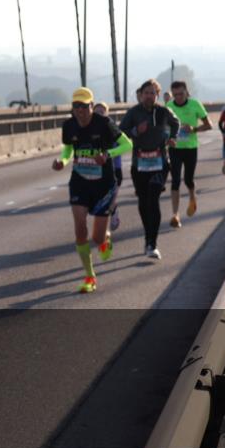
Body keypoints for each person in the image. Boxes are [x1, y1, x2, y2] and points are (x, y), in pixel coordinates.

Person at [53, 89, 132, 292]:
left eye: (84, 106)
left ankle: (104, 240)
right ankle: (90, 277)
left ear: (91, 105)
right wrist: (62, 160)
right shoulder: (69, 125)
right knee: (80, 229)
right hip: (79, 181)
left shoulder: (104, 123)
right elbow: (68, 148)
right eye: (76, 106)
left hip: (104, 184)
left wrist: (108, 154)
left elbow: (127, 144)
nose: (80, 110)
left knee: (97, 237)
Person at [119, 79, 180, 260]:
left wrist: (172, 137)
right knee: (144, 202)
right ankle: (148, 237)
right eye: (146, 92)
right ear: (141, 94)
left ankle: (152, 243)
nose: (149, 96)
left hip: (160, 162)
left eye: (152, 93)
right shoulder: (134, 113)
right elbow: (121, 132)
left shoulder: (163, 111)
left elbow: (175, 122)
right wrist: (136, 131)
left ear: (157, 95)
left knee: (153, 198)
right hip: (139, 163)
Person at [166, 81, 212, 228]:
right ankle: (175, 215)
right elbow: (163, 127)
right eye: (175, 95)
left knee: (188, 179)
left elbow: (209, 125)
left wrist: (194, 129)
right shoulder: (169, 107)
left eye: (181, 94)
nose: (178, 97)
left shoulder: (195, 104)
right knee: (175, 181)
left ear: (187, 92)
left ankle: (192, 196)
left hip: (191, 148)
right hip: (175, 148)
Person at [93, 101, 123, 231]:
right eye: (96, 111)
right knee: (99, 200)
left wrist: (117, 167)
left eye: (102, 111)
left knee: (108, 201)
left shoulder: (111, 128)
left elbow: (121, 147)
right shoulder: (88, 128)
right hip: (94, 170)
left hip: (113, 168)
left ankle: (112, 213)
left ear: (107, 113)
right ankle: (112, 210)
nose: (99, 114)